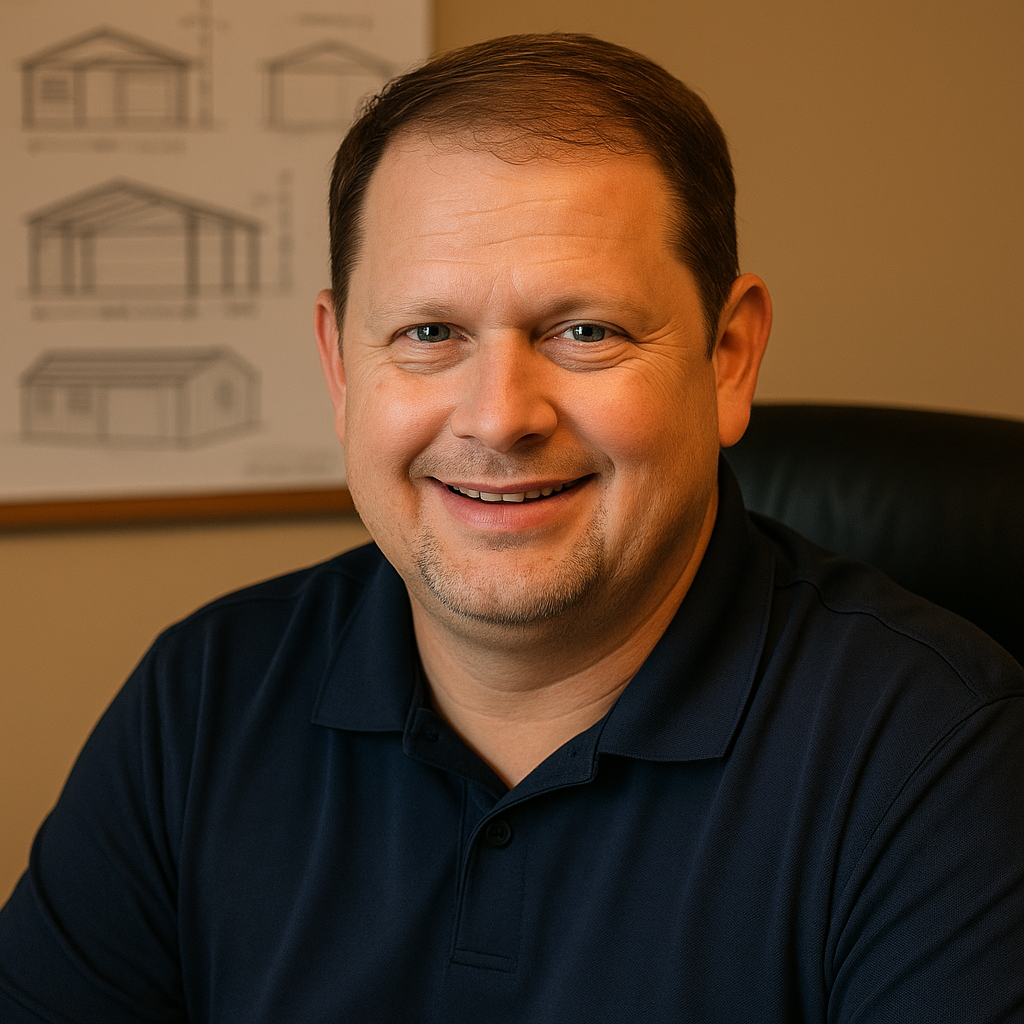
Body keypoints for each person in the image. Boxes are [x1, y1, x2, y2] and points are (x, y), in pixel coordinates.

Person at [1, 33, 1021, 1024]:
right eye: (429, 333)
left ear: (728, 358)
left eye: (585, 330)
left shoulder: (940, 756)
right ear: (340, 366)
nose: (498, 416)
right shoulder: (202, 698)